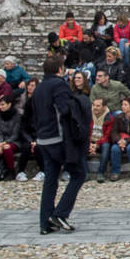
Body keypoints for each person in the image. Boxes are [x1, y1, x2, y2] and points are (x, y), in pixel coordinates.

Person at [33, 55, 88, 235]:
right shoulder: (59, 85)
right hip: (58, 138)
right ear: (59, 69)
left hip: (43, 138)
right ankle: (60, 213)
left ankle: (45, 222)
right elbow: (65, 110)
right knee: (79, 173)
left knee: (51, 179)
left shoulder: (39, 87)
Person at [107, 96, 130, 182]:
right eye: (122, 105)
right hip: (121, 140)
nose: (123, 106)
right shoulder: (118, 117)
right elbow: (114, 132)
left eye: (126, 105)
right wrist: (119, 141)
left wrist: (126, 141)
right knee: (115, 148)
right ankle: (115, 172)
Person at [0, 95, 21, 180]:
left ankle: (11, 170)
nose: (0, 107)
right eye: (0, 105)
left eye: (3, 104)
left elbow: (16, 133)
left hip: (14, 141)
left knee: (7, 148)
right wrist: (0, 142)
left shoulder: (17, 116)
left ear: (9, 104)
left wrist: (5, 142)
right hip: (1, 140)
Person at [89, 98, 114, 182]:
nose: (95, 107)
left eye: (98, 106)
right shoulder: (88, 116)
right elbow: (85, 132)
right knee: (79, 145)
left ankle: (101, 173)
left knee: (106, 146)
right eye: (94, 105)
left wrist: (97, 144)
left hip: (102, 141)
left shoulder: (109, 118)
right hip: (90, 140)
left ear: (104, 107)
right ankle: (85, 173)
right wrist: (90, 144)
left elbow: (107, 136)